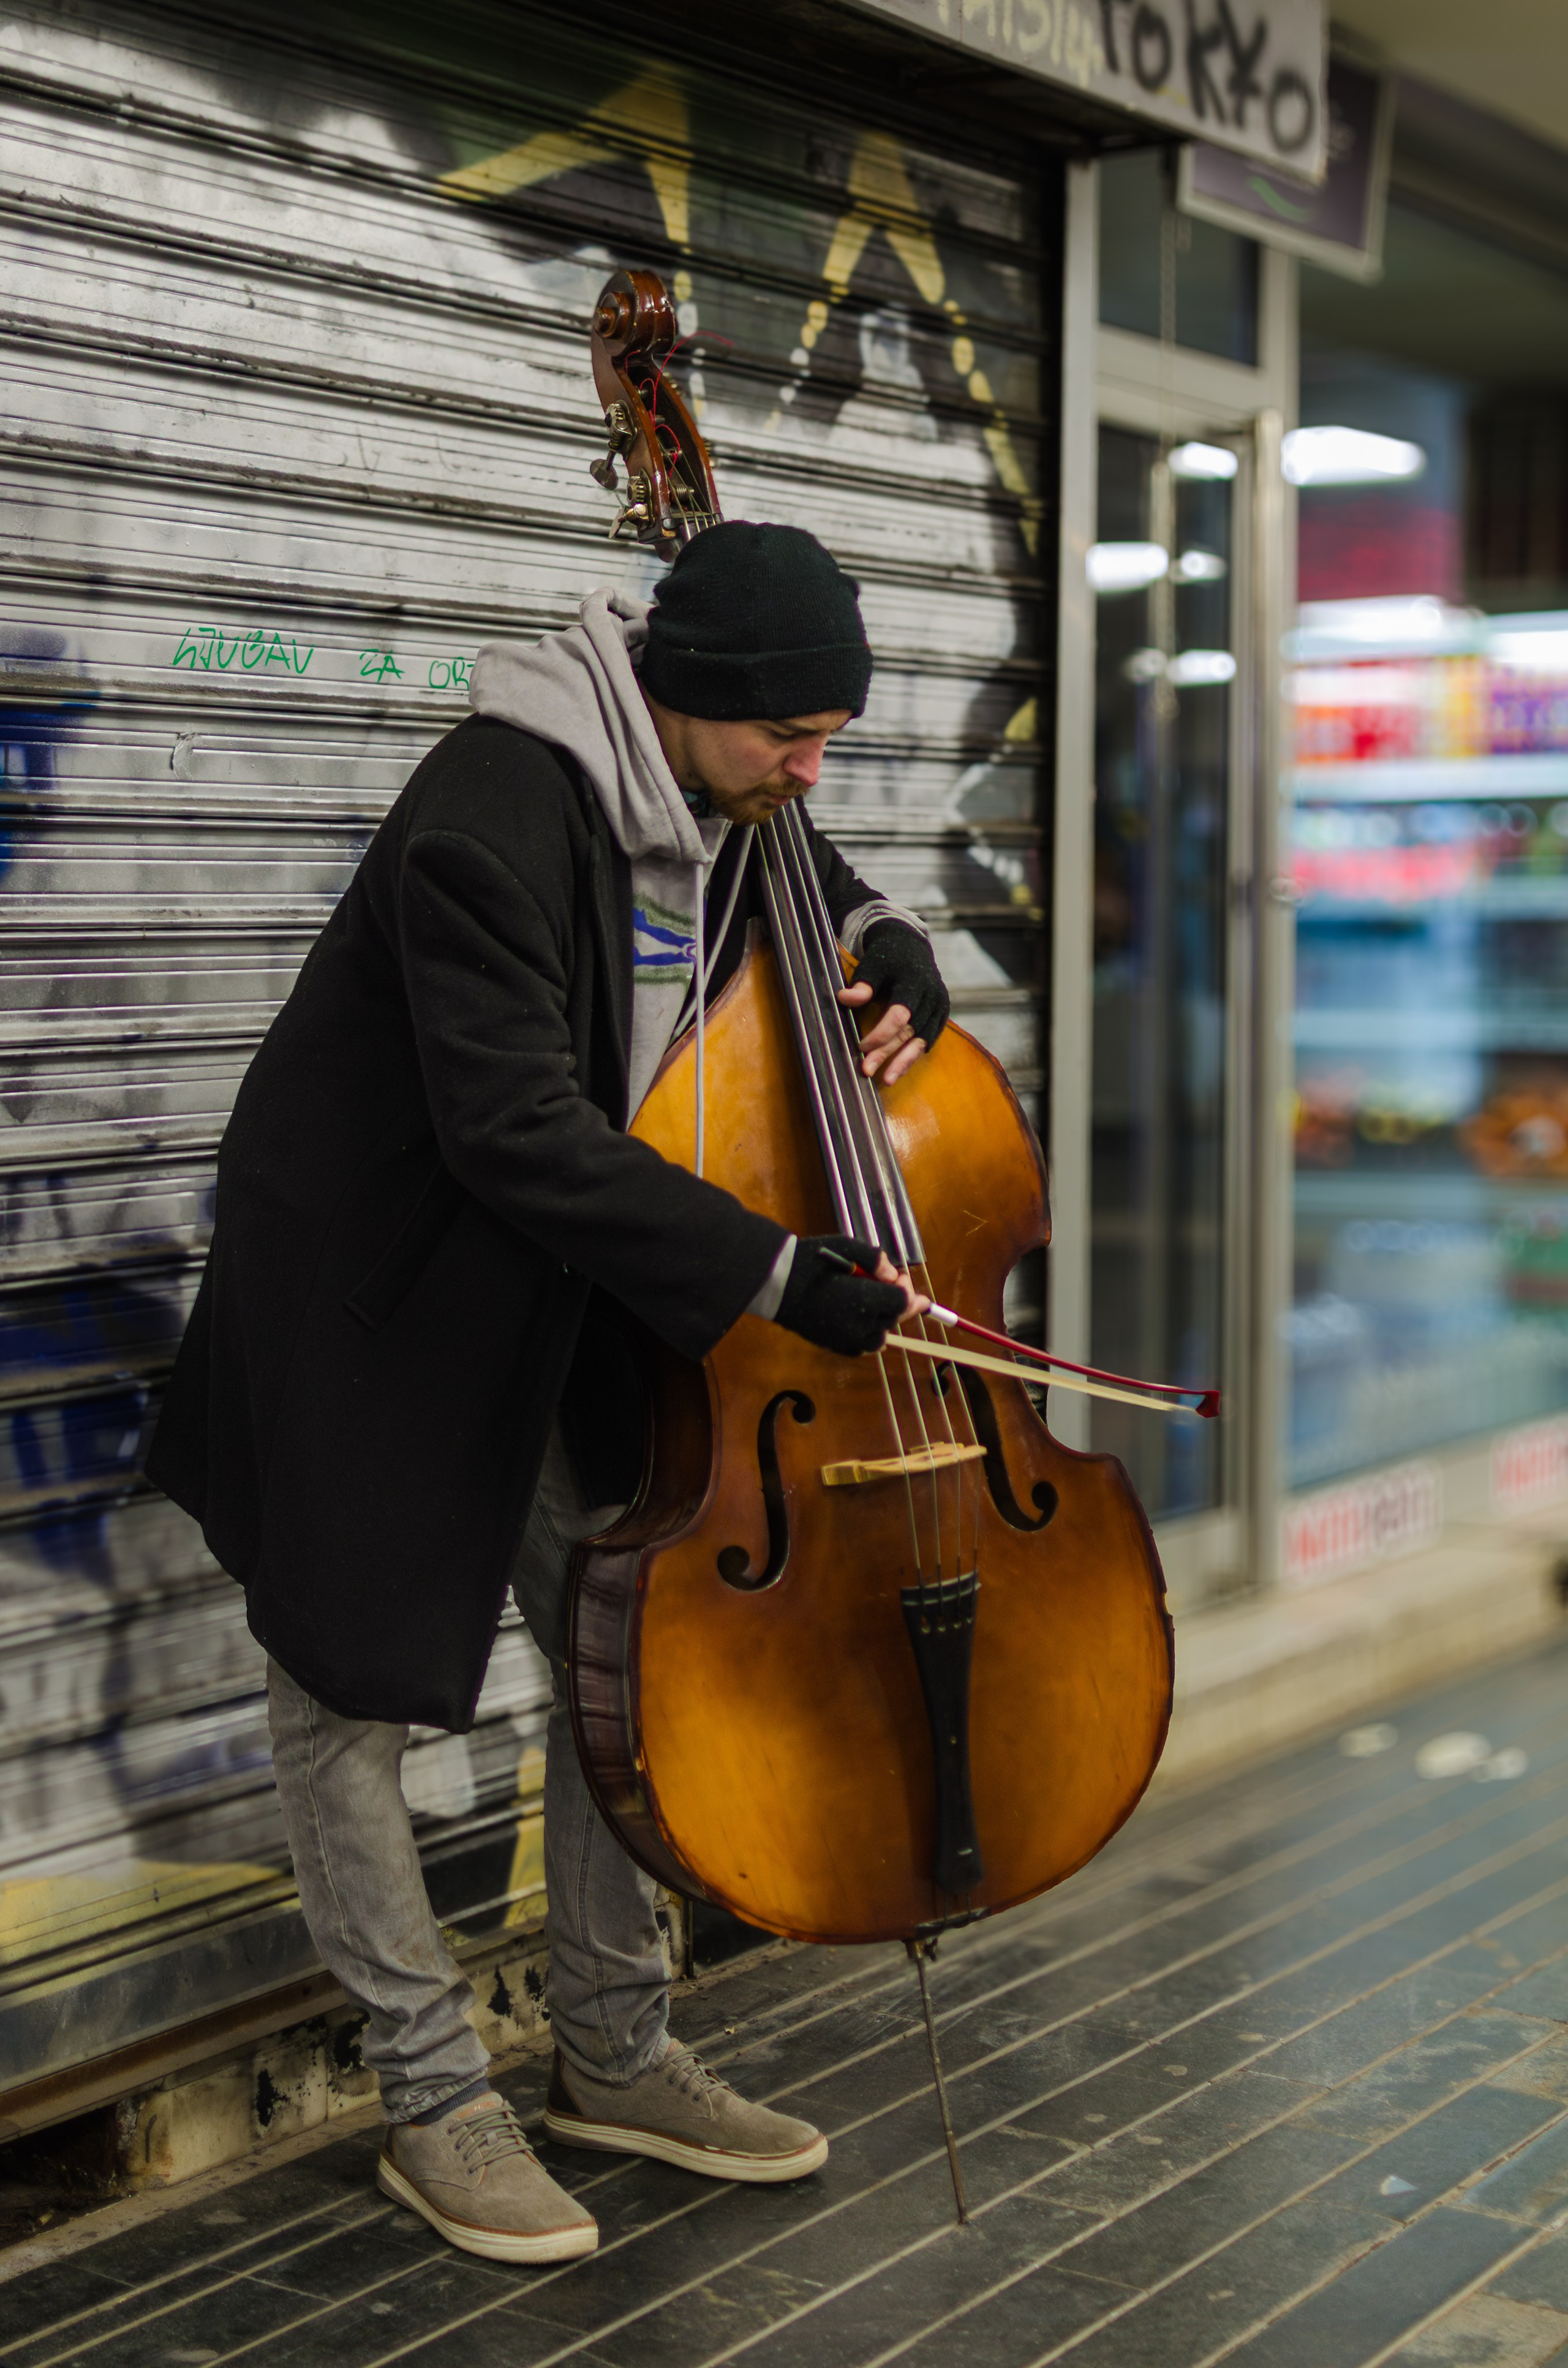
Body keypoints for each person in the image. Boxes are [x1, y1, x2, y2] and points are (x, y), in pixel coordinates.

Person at [147, 521, 951, 2266]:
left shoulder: (718, 780)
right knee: (343, 1695)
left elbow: (803, 868)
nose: (812, 775)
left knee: (626, 1637)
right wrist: (773, 1273)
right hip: (376, 1291)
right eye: (791, 740)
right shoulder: (492, 814)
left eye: (834, 740)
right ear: (687, 697)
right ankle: (433, 2096)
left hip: (544, 1284)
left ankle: (614, 2048)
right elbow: (513, 1127)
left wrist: (895, 938)